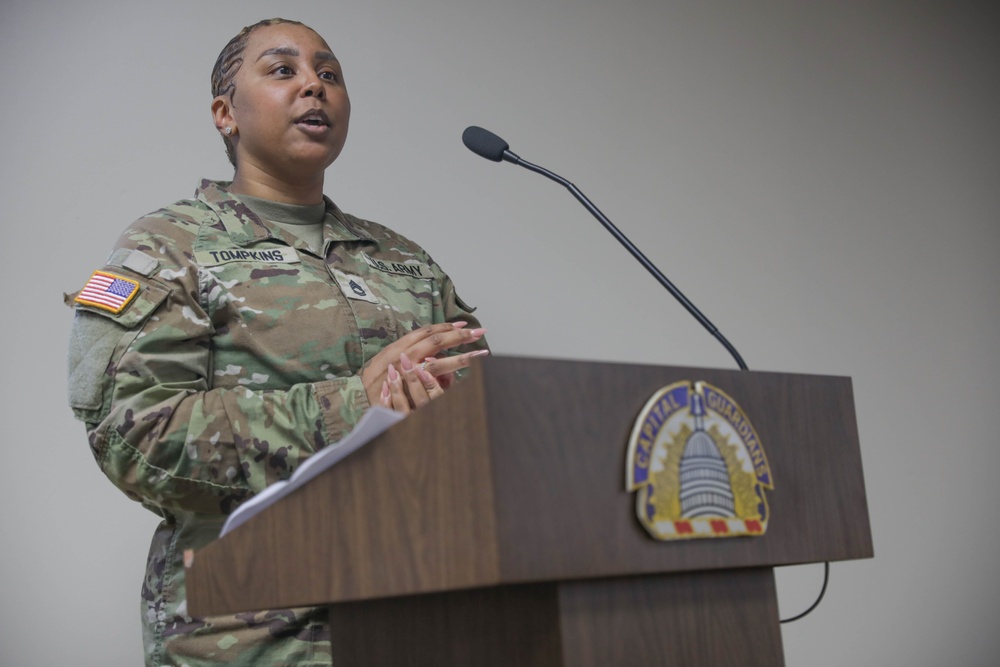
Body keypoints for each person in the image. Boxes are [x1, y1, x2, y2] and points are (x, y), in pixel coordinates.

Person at [66, 17, 488, 667]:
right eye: (283, 70)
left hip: (414, 617)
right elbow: (135, 436)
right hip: (252, 635)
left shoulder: (406, 260)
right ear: (225, 112)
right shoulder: (167, 246)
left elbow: (487, 419)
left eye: (330, 74)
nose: (314, 88)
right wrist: (353, 405)